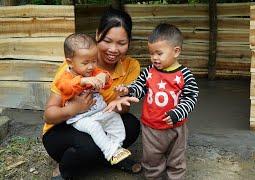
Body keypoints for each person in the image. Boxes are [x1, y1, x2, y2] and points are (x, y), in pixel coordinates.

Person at [42, 8, 141, 179]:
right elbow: (49, 116)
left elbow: (123, 109)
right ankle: (65, 169)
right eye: (107, 41)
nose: (113, 49)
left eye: (121, 43)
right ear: (97, 35)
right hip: (62, 128)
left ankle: (106, 156)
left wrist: (119, 104)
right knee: (89, 145)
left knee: (131, 125)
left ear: (129, 42)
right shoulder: (72, 68)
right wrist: (74, 108)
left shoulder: (131, 66)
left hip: (99, 116)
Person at [115, 23, 199, 179]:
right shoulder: (149, 71)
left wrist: (178, 112)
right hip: (151, 127)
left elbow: (191, 97)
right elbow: (140, 87)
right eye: (151, 53)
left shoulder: (184, 74)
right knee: (151, 159)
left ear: (176, 51)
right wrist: (128, 90)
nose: (154, 57)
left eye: (159, 53)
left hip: (176, 128)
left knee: (176, 159)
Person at [53, 33, 131, 166]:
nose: (91, 66)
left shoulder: (93, 71)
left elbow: (105, 77)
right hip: (81, 118)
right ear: (70, 61)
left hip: (100, 111)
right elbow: (65, 87)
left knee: (115, 118)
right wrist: (82, 81)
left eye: (94, 61)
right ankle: (109, 151)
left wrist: (103, 77)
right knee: (94, 127)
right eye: (85, 63)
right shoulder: (66, 76)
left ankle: (115, 148)